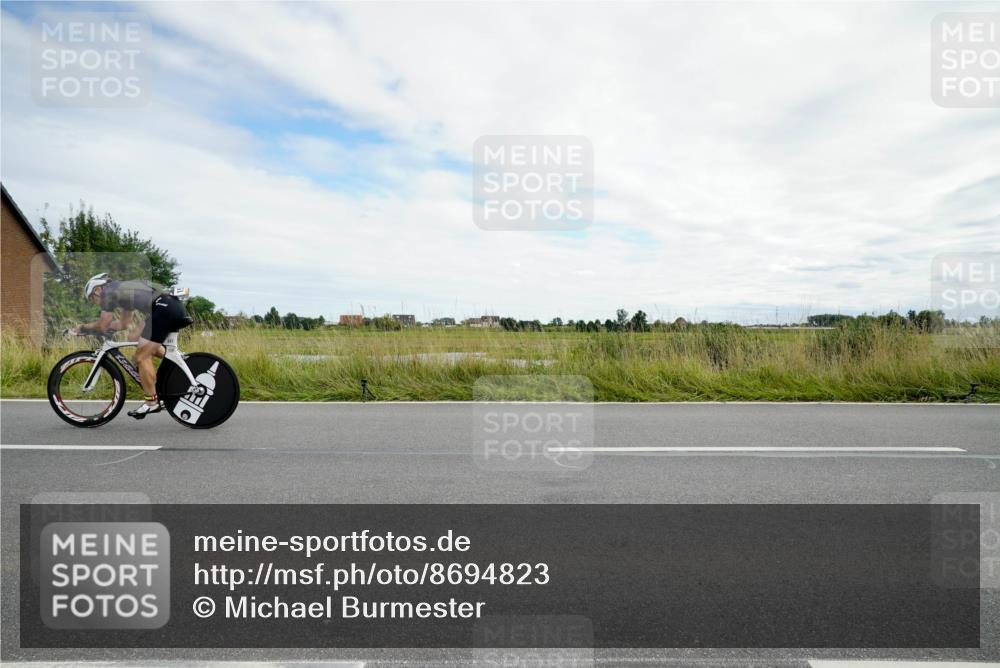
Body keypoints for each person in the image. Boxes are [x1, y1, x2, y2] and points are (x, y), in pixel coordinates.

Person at [72, 273, 191, 419]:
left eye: (91, 298)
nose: (93, 302)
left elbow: (103, 323)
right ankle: (175, 362)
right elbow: (123, 324)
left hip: (164, 308)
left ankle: (151, 403)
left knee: (141, 357)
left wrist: (83, 328)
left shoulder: (108, 292)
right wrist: (105, 328)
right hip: (167, 306)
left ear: (97, 290)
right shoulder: (121, 291)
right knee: (133, 337)